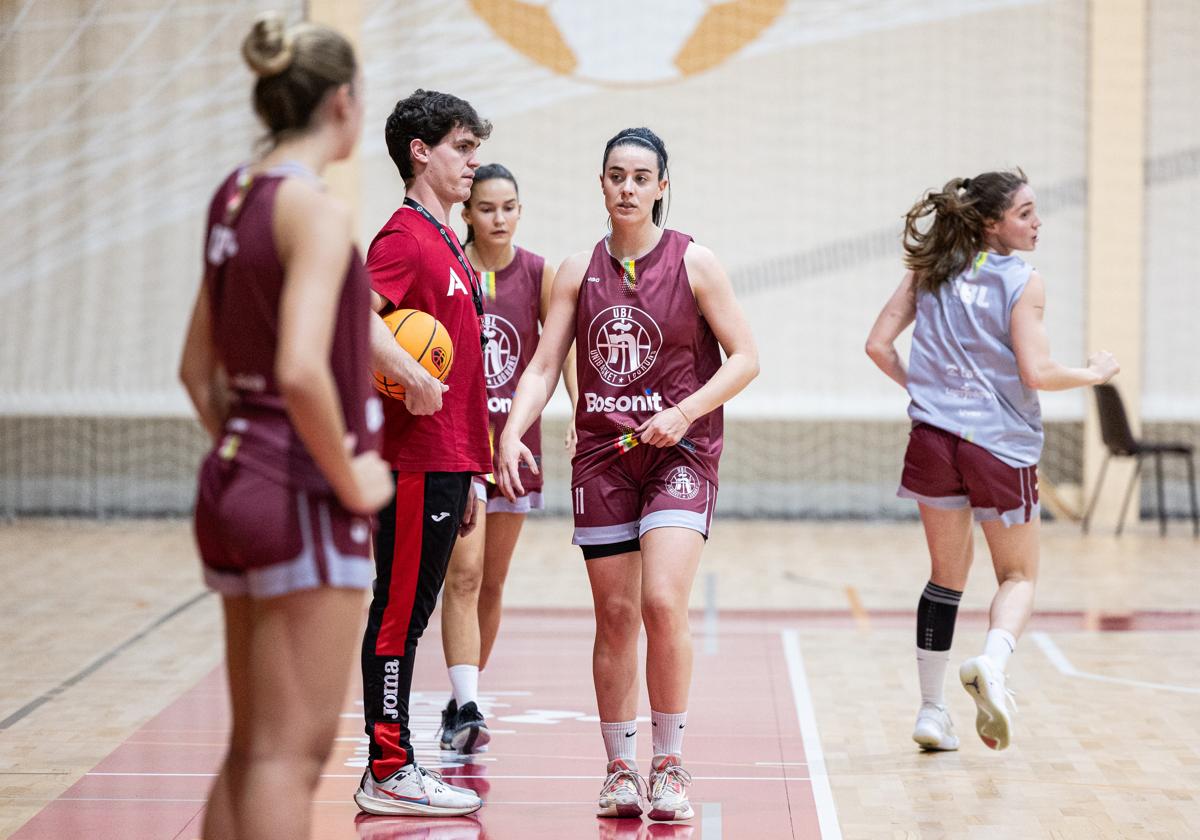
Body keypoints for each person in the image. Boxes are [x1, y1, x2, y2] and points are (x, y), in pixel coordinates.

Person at [495, 127, 759, 821]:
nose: (628, 187)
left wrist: (687, 411)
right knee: (614, 615)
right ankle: (619, 768)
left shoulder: (696, 262)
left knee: (663, 601)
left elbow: (745, 359)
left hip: (679, 454)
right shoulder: (575, 270)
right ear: (602, 183)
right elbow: (547, 363)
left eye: (642, 176)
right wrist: (510, 430)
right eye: (617, 175)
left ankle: (668, 763)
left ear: (662, 186)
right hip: (603, 456)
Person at [178, 13, 393, 840]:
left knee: (252, 746)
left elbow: (197, 372)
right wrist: (348, 476)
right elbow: (303, 368)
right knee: (290, 758)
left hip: (235, 478)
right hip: (300, 487)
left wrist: (247, 453)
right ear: (342, 101)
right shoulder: (316, 211)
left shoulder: (233, 196)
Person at [865, 170, 1119, 752]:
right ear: (990, 223)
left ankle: (932, 712)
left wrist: (922, 391)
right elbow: (1038, 373)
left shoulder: (928, 269)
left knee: (944, 580)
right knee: (1018, 576)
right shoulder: (1022, 280)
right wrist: (1094, 374)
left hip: (933, 439)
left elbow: (877, 346)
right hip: (998, 444)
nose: (1037, 223)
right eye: (1026, 213)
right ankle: (993, 666)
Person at [354, 89, 493, 818]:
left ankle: (395, 761)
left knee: (411, 611)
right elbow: (351, 318)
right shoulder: (404, 239)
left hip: (448, 460)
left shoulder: (448, 244)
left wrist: (474, 467)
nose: (474, 162)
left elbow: (466, 373)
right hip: (413, 459)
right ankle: (388, 765)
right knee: (399, 614)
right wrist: (410, 376)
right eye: (463, 148)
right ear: (421, 151)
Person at [436, 164, 566, 754]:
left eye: (509, 207)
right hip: (460, 445)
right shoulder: (448, 266)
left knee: (491, 581)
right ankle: (465, 704)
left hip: (515, 447)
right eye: (487, 208)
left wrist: (583, 414)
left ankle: (465, 696)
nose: (499, 218)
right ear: (467, 212)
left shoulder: (538, 272)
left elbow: (558, 352)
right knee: (461, 575)